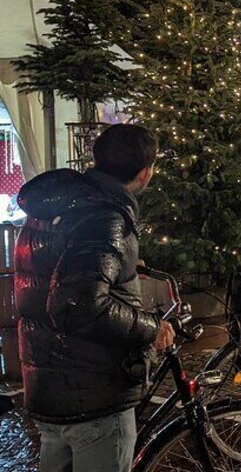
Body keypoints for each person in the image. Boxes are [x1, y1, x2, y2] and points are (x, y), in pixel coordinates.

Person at [14, 124, 174, 472]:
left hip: (51, 383)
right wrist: (151, 328)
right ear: (145, 173)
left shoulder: (67, 203)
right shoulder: (105, 217)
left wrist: (123, 266)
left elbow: (61, 265)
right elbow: (78, 305)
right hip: (94, 391)